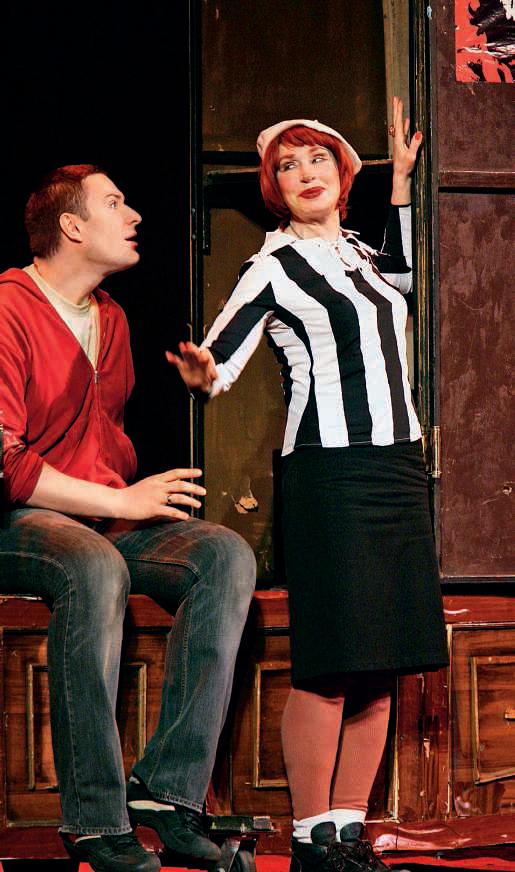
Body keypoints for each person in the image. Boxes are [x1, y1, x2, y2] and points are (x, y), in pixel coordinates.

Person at [167, 97, 449, 872]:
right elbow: (220, 355)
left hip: (395, 467)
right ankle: (308, 837)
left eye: (317, 157)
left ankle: (347, 832)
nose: (304, 173)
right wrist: (201, 372)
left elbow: (399, 279)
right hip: (331, 473)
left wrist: (400, 187)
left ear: (342, 171)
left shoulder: (357, 252)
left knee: (380, 663)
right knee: (330, 662)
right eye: (287, 166)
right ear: (274, 188)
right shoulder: (272, 266)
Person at [0, 165, 256, 872]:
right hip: (18, 521)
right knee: (91, 564)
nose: (134, 214)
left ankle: (167, 795)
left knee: (223, 555)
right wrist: (121, 501)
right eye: (114, 203)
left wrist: (123, 497)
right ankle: (93, 820)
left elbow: (97, 440)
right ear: (72, 226)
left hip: (95, 519)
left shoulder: (110, 318)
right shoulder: (9, 307)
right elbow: (7, 463)